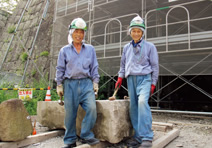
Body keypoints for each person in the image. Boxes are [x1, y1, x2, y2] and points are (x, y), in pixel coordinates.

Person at [55, 18, 100, 148]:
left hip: (86, 83)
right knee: (70, 114)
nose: (79, 35)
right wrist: (59, 85)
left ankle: (86, 135)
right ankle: (69, 140)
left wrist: (95, 83)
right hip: (70, 84)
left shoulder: (90, 49)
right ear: (71, 32)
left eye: (81, 32)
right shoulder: (64, 50)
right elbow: (60, 69)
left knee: (91, 108)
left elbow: (94, 67)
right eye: (76, 32)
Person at [115, 15, 159, 148]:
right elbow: (123, 65)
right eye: (133, 30)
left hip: (145, 78)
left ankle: (147, 136)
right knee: (133, 107)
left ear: (142, 33)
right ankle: (138, 136)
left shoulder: (150, 47)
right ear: (130, 32)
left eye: (138, 31)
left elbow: (155, 66)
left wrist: (153, 83)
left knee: (142, 103)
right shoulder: (126, 48)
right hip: (131, 79)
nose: (136, 33)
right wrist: (120, 77)